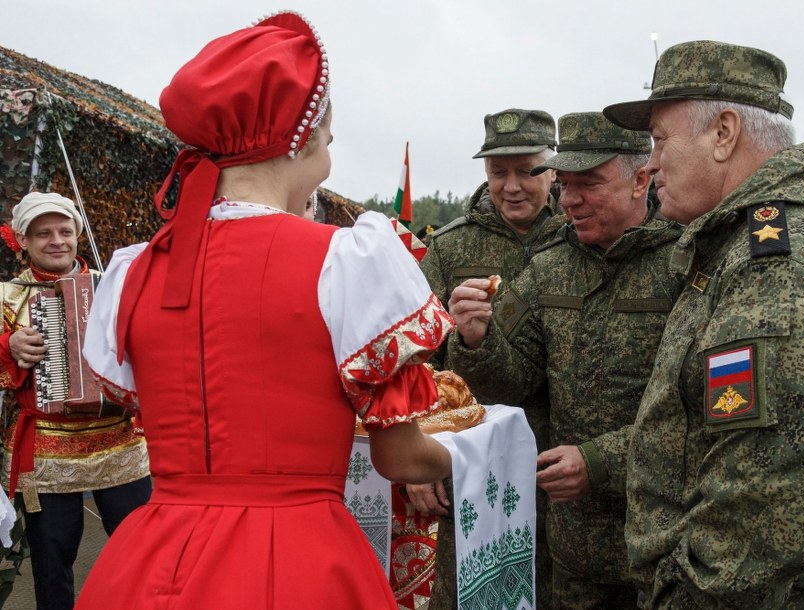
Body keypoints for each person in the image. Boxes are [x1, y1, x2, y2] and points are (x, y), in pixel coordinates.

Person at [73, 12, 453, 610]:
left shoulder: (134, 273)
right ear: (299, 143)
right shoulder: (341, 260)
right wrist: (475, 450)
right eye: (326, 144)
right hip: (300, 560)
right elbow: (400, 457)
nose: (327, 162)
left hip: (155, 556)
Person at [602, 40, 804, 607]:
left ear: (724, 132)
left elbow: (761, 494)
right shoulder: (739, 247)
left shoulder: (781, 263)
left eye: (659, 141)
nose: (651, 163)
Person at [443, 112, 684, 608]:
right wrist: (475, 339)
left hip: (666, 546)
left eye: (588, 184)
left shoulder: (688, 260)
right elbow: (514, 381)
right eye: (566, 184)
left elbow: (701, 410)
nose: (568, 199)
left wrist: (599, 461)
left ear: (642, 179)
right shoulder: (549, 267)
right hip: (576, 553)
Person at [411, 108, 566, 609]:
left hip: (565, 473)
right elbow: (417, 362)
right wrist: (419, 454)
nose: (512, 186)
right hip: (474, 473)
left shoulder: (582, 233)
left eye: (528, 171)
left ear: (555, 170)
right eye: (499, 173)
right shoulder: (451, 248)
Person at [0, 191, 151, 610]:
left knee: (143, 552)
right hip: (48, 455)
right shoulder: (7, 297)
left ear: (77, 237)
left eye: (65, 231)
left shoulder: (113, 284)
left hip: (120, 444)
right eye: (43, 233)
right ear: (24, 242)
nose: (56, 241)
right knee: (53, 563)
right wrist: (8, 345)